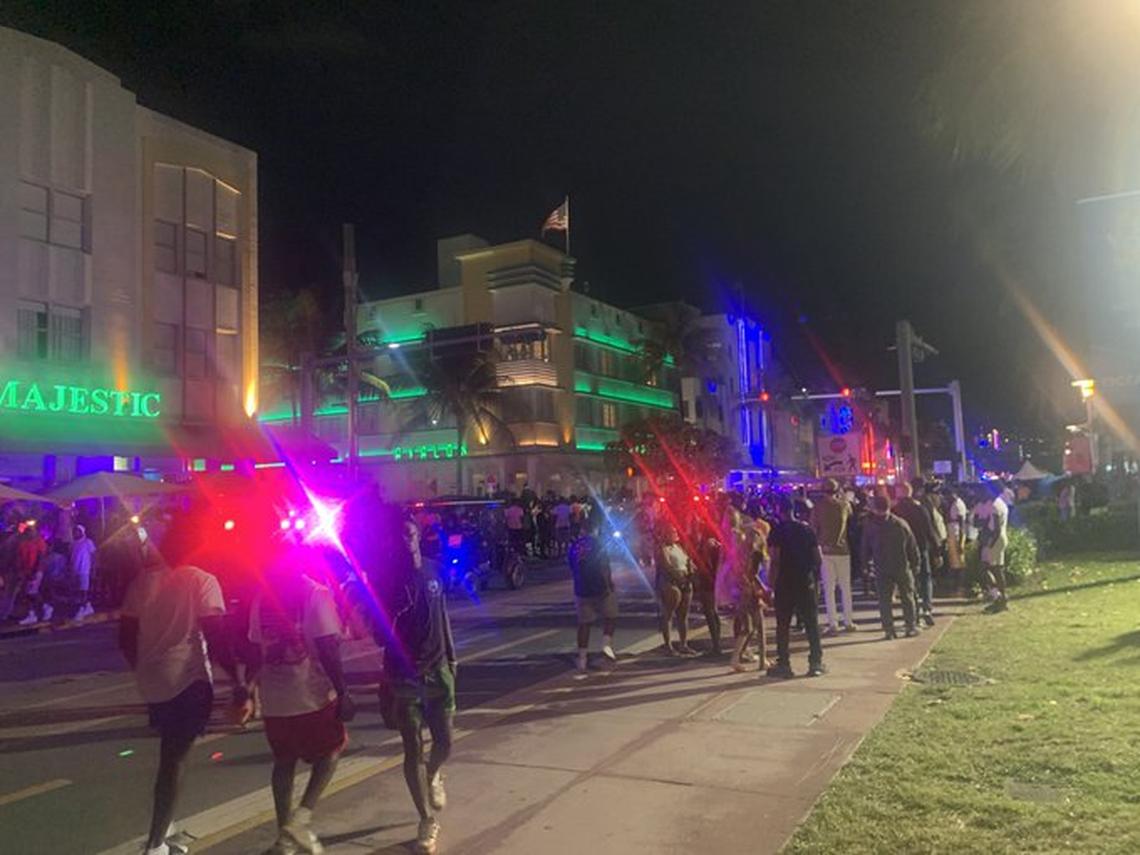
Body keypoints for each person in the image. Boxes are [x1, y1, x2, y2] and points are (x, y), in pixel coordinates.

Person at [119, 518, 248, 855]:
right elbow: (217, 638)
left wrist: (144, 668)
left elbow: (125, 637)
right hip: (187, 682)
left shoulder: (142, 582)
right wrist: (239, 682)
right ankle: (156, 843)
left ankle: (167, 825)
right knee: (174, 760)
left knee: (170, 754)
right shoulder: (202, 581)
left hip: (152, 683)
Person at [247, 547, 354, 855]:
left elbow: (256, 648)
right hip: (309, 694)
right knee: (332, 750)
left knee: (284, 762)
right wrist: (343, 692)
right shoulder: (314, 594)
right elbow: (328, 648)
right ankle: (302, 817)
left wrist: (249, 688)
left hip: (275, 699)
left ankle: (284, 838)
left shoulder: (262, 596)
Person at [381, 519, 457, 855]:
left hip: (439, 669)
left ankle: (435, 773)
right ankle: (426, 819)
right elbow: (382, 634)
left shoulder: (434, 571)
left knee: (445, 742)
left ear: (417, 537)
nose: (406, 540)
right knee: (413, 748)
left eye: (409, 534)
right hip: (404, 676)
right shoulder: (388, 582)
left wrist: (453, 658)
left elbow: (443, 617)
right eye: (400, 535)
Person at [766, 494, 824, 678]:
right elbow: (818, 557)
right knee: (811, 623)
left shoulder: (777, 531)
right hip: (805, 581)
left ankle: (784, 663)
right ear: (794, 510)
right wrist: (813, 575)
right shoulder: (807, 529)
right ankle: (815, 662)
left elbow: (775, 560)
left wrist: (771, 585)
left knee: (782, 625)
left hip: (785, 582)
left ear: (778, 511)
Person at [861, 495, 920, 639]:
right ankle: (910, 626)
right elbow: (912, 546)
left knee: (884, 600)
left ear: (875, 508)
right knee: (907, 596)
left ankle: (889, 630)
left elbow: (864, 548)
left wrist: (865, 566)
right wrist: (916, 563)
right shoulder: (901, 524)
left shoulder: (870, 526)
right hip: (901, 565)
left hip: (881, 566)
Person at [567, 513, 618, 672]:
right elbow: (604, 567)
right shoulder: (599, 544)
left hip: (581, 589)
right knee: (611, 617)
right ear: (595, 529)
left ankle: (582, 658)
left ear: (582, 530)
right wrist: (609, 584)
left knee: (584, 624)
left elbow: (571, 566)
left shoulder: (574, 546)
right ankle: (606, 645)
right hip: (601, 588)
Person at [810, 479, 857, 635]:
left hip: (825, 551)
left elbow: (813, 529)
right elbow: (851, 517)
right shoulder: (844, 505)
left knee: (829, 590)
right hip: (843, 550)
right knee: (845, 588)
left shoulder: (817, 508)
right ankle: (848, 621)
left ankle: (833, 624)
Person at [892, 483, 938, 626]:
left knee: (908, 583)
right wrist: (937, 550)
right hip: (921, 547)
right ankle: (927, 608)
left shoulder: (895, 511)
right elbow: (929, 530)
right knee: (925, 578)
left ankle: (914, 612)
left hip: (902, 551)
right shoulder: (920, 509)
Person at [654, 525, 696, 656]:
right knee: (668, 614)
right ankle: (668, 645)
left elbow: (688, 561)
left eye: (675, 532)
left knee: (683, 616)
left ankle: (683, 644)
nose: (674, 534)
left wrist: (690, 570)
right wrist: (678, 577)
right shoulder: (662, 549)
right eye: (671, 532)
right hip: (671, 583)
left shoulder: (679, 547)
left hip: (685, 581)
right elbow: (666, 566)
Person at [689, 515, 723, 655]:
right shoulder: (714, 543)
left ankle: (716, 645)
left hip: (707, 580)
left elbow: (705, 564)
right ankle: (717, 643)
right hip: (712, 579)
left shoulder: (707, 544)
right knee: (712, 612)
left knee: (710, 612)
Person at [982, 491, 1011, 612]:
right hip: (1002, 538)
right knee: (998, 569)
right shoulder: (1002, 504)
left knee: (986, 569)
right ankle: (1003, 598)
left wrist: (990, 544)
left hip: (995, 539)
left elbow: (996, 529)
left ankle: (997, 597)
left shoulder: (994, 506)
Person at [70, 524, 98, 619]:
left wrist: (93, 569)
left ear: (82, 532)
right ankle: (87, 607)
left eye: (78, 531)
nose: (76, 533)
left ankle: (82, 609)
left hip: (84, 570)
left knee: (83, 591)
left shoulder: (88, 542)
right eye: (75, 531)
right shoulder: (73, 543)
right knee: (77, 591)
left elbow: (94, 556)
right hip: (75, 570)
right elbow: (72, 557)